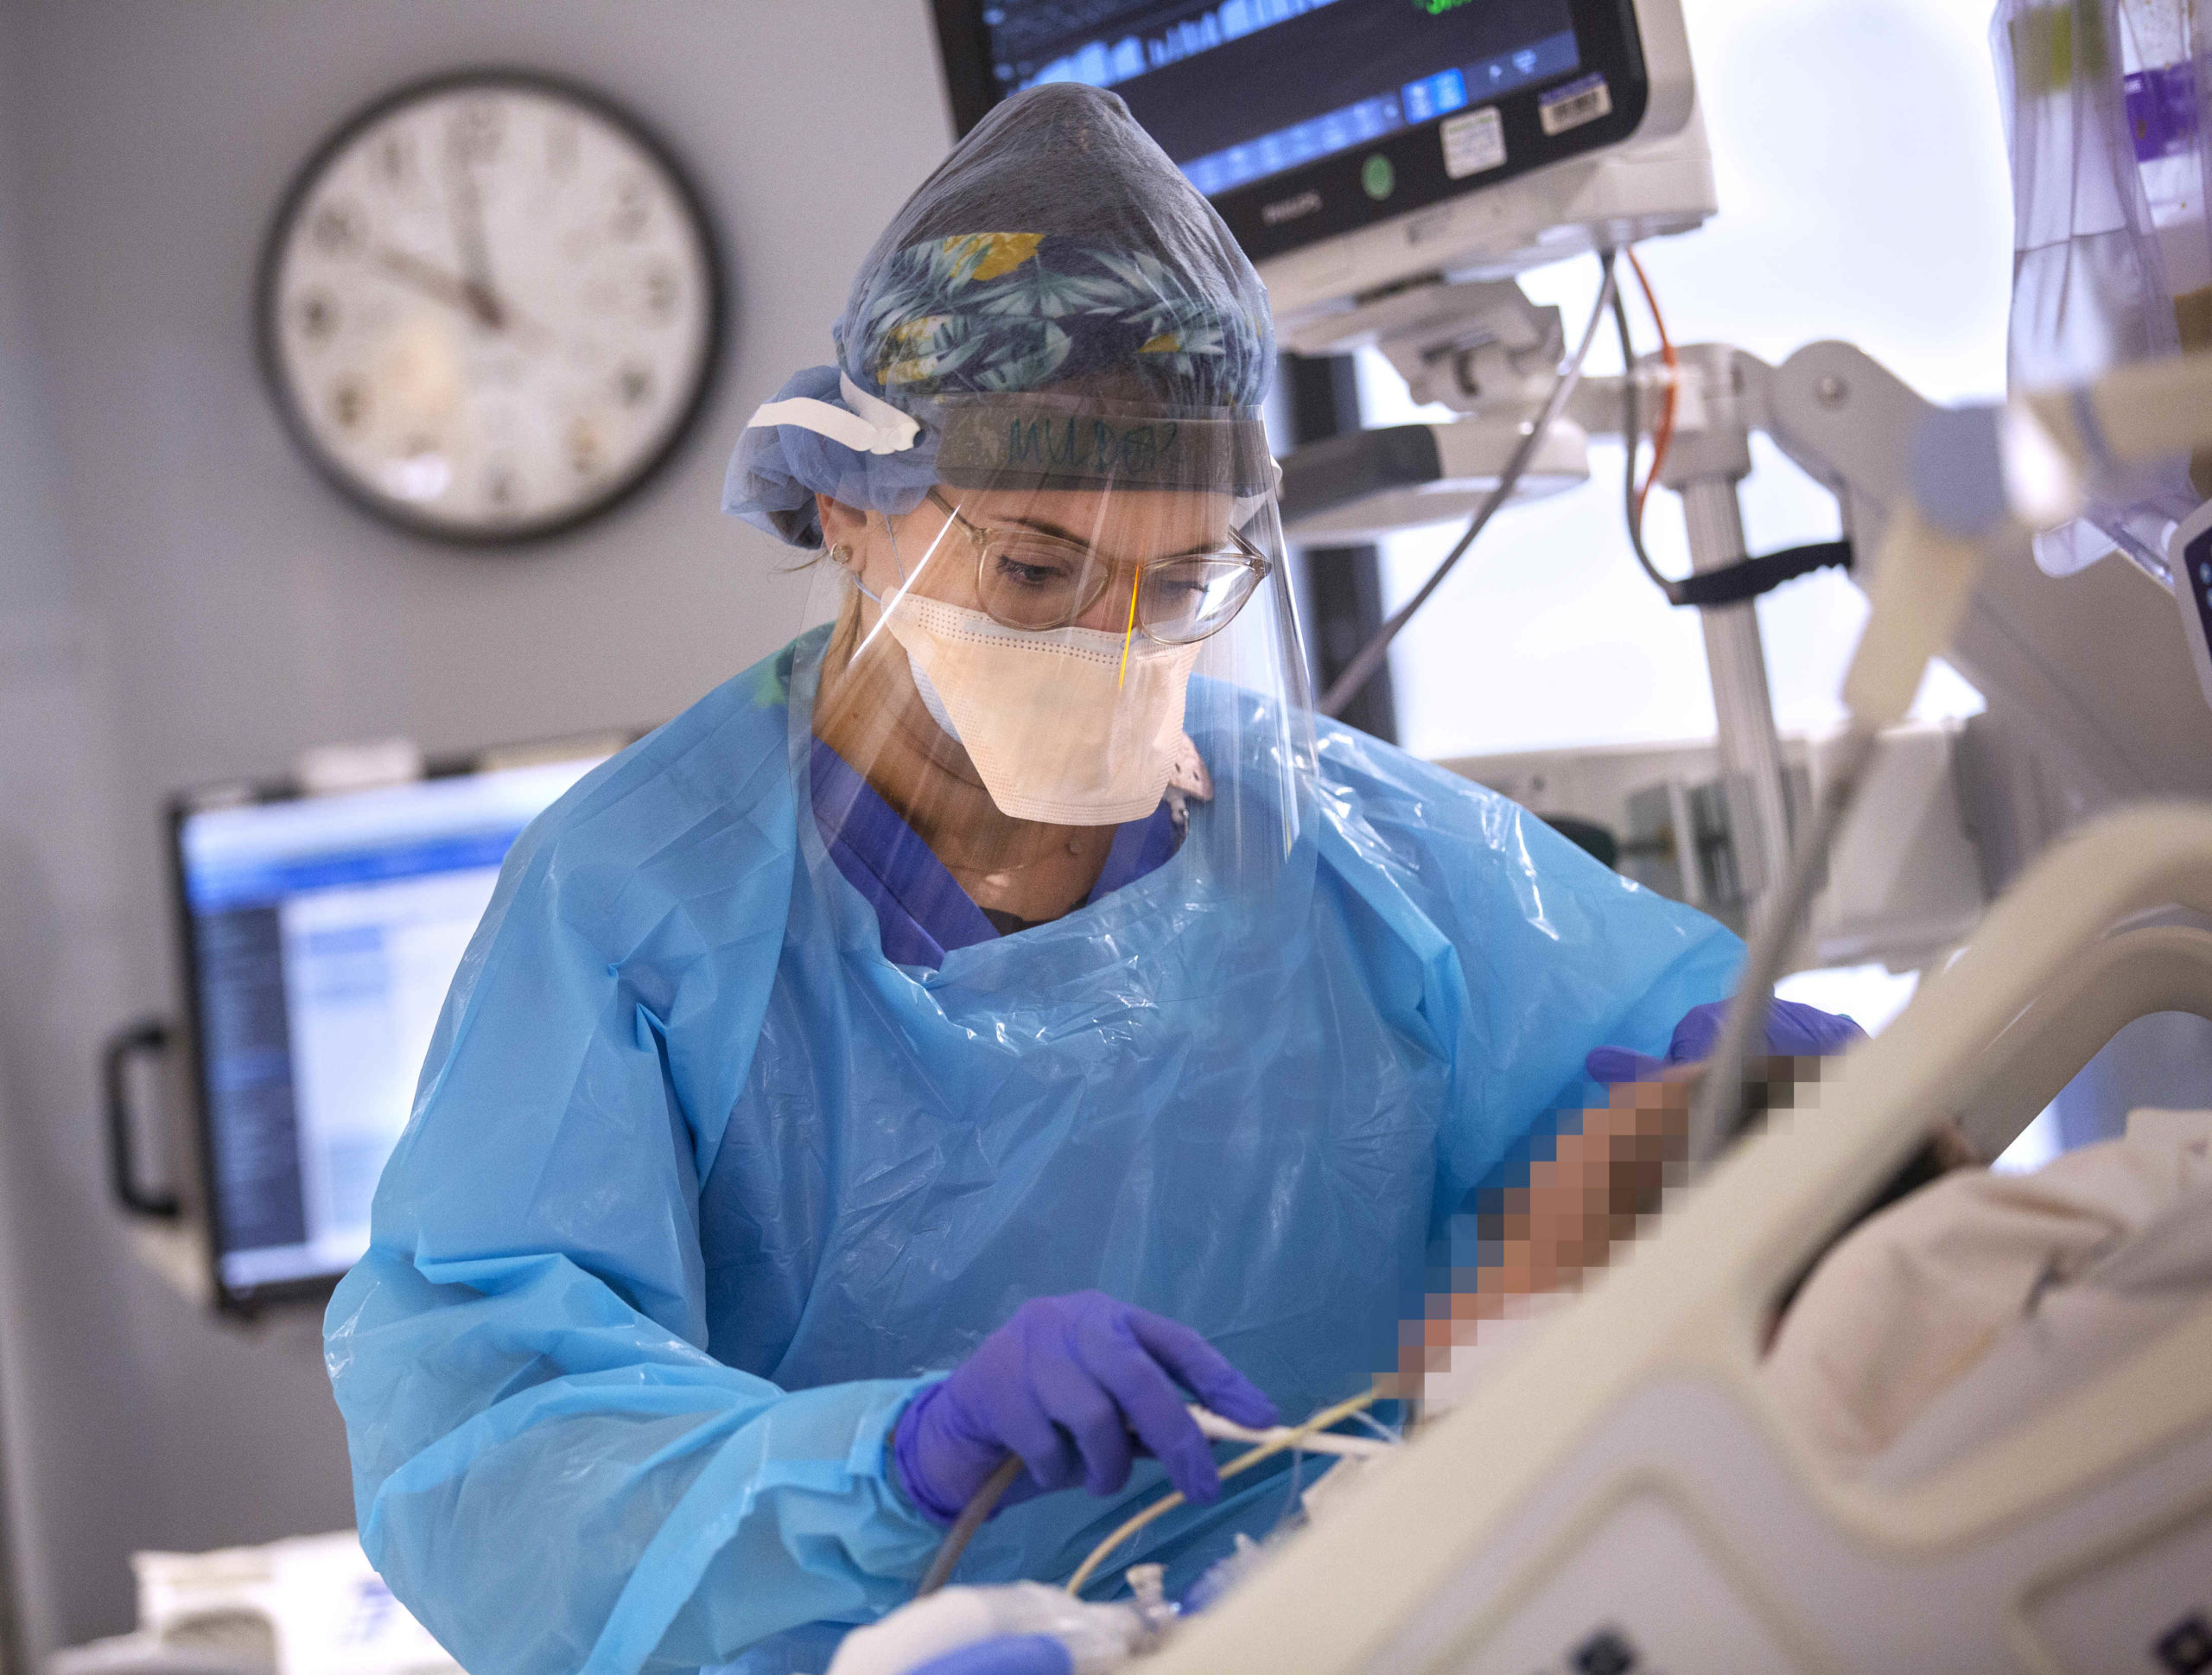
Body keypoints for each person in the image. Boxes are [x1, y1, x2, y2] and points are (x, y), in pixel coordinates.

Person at [324, 83, 1854, 1675]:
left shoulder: (1339, 843)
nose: (1111, 644)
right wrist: (895, 1462)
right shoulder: (641, 909)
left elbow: (1617, 1137)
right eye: (1039, 567)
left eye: (1181, 581)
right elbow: (493, 1448)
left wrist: (1777, 1116)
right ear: (853, 511)